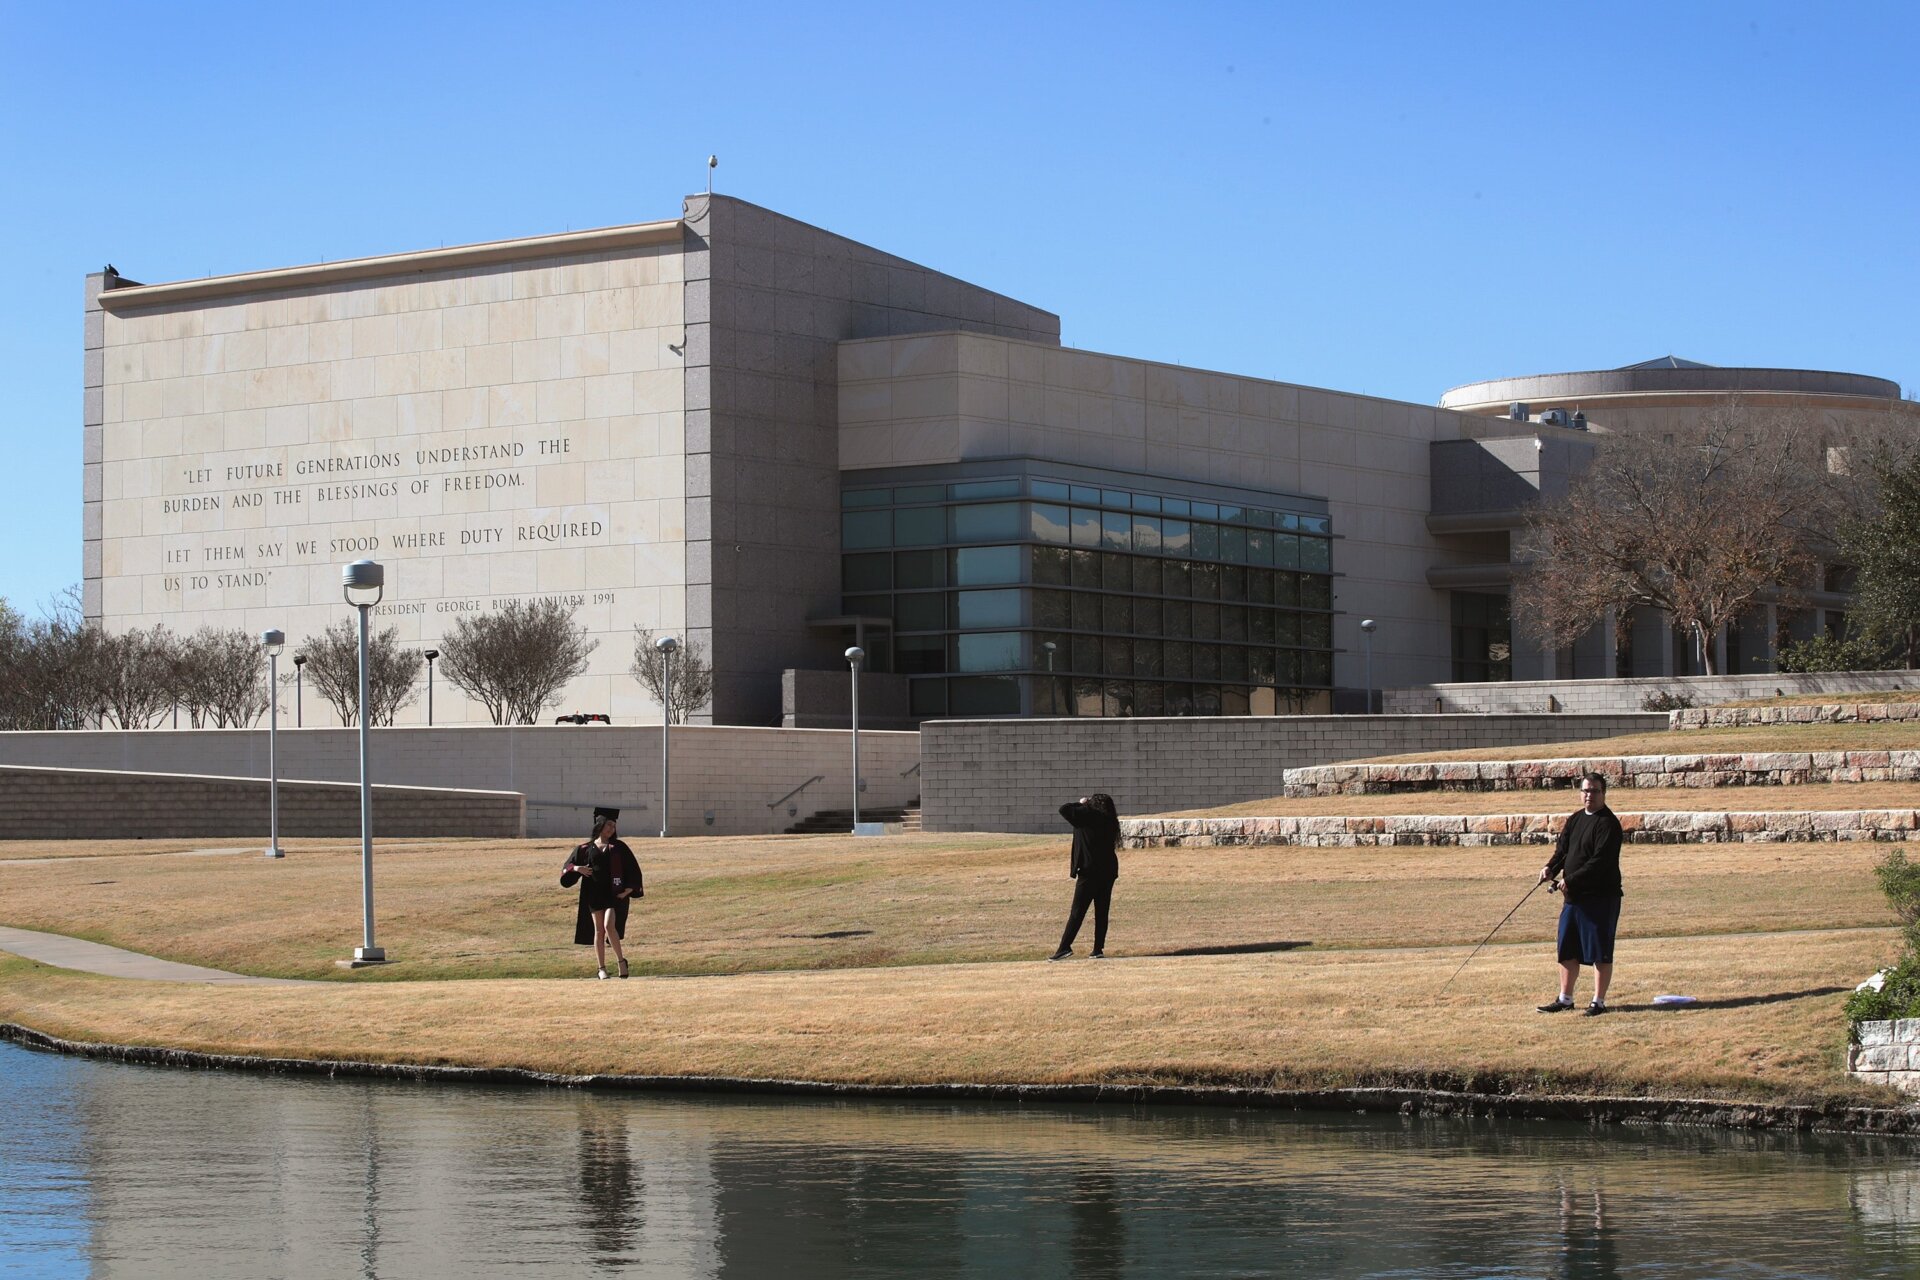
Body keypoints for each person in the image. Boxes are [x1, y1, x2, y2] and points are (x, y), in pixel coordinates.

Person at [1537, 772, 1624, 1015]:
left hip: (1601, 898)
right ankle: (1565, 998)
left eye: (1595, 791)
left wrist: (1570, 879)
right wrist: (1550, 868)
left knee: (1600, 951)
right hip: (1573, 899)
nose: (1589, 795)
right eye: (1586, 790)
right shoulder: (1575, 819)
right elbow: (1563, 852)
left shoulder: (1608, 824)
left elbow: (1600, 862)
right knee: (1567, 949)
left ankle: (1599, 1001)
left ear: (1603, 793)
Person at [561, 809, 644, 979]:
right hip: (594, 894)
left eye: (614, 826)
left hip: (613, 895)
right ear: (600, 825)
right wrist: (578, 869)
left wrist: (627, 891)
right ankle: (601, 968)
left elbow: (634, 871)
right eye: (608, 825)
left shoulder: (619, 847)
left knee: (608, 925)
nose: (611, 829)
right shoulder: (585, 849)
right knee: (598, 931)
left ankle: (621, 961)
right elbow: (567, 867)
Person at [1049, 793, 1121, 961]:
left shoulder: (1087, 816)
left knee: (1077, 912)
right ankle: (1097, 949)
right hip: (1108, 871)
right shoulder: (1110, 821)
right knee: (1102, 911)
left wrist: (1082, 803)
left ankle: (1064, 947)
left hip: (1089, 871)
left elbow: (1064, 809)